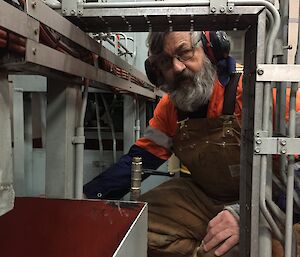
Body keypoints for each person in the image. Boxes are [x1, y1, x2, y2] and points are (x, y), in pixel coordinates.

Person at [84, 30, 243, 257]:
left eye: (185, 53)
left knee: (277, 244)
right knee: (135, 227)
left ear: (211, 50)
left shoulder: (252, 94)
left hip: (262, 199)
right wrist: (88, 196)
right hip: (204, 197)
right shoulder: (170, 109)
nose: (177, 68)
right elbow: (141, 156)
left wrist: (244, 214)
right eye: (165, 62)